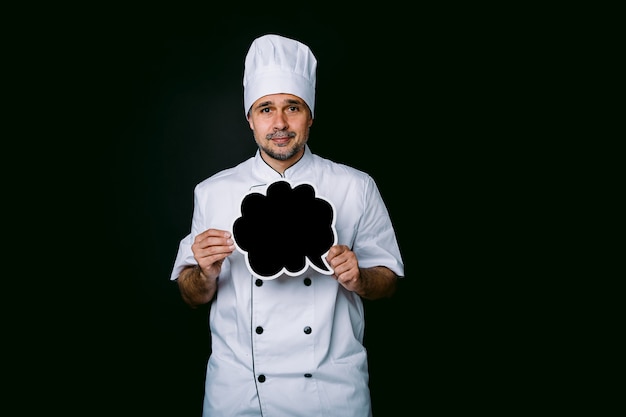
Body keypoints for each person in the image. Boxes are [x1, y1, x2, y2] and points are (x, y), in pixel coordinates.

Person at [170, 33, 405, 416]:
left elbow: (389, 281)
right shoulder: (213, 192)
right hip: (240, 396)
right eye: (266, 109)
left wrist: (360, 277)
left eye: (292, 107)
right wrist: (206, 274)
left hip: (330, 396)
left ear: (310, 114)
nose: (279, 123)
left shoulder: (356, 186)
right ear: (250, 119)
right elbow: (191, 294)